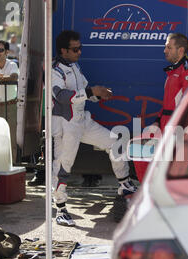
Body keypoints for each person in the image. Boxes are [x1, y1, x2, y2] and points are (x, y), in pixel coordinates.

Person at [52, 30, 137, 227]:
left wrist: (98, 94)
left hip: (83, 120)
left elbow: (84, 92)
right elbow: (61, 96)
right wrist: (91, 92)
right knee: (64, 165)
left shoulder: (74, 65)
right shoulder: (55, 70)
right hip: (66, 124)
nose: (79, 52)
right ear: (63, 50)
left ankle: (125, 184)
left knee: (116, 142)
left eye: (80, 48)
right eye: (75, 49)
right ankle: (61, 208)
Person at [134, 33, 188, 182]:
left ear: (180, 50)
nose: (165, 50)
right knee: (139, 152)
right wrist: (157, 121)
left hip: (177, 127)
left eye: (169, 47)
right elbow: (168, 104)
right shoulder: (174, 71)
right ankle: (150, 193)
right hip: (166, 125)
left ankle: (158, 194)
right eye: (166, 47)